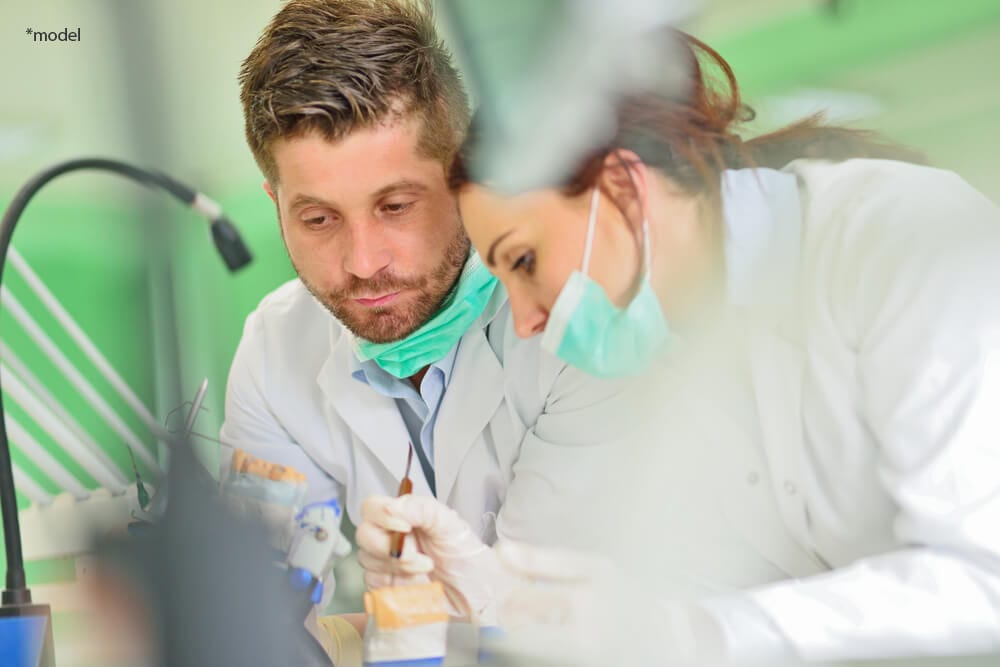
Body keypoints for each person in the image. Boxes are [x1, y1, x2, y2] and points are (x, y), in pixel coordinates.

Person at [357, 30, 1000, 664]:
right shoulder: (669, 358)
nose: (524, 322)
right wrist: (486, 592)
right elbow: (682, 598)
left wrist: (695, 635)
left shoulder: (896, 238)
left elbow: (982, 583)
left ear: (622, 188)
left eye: (524, 259)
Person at [224, 0, 628, 634]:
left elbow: (560, 619)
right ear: (276, 202)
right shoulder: (275, 350)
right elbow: (256, 605)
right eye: (318, 219)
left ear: (465, 175)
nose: (361, 263)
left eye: (395, 206)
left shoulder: (570, 324)